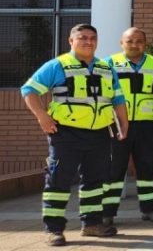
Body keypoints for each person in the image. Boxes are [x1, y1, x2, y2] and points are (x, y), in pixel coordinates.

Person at [22, 24, 130, 246]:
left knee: (95, 180)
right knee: (58, 180)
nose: (88, 41)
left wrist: (124, 125)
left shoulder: (106, 68)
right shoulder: (57, 65)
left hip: (100, 133)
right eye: (82, 38)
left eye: (92, 38)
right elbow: (29, 90)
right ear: (71, 41)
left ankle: (91, 224)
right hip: (66, 134)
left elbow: (118, 100)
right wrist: (42, 117)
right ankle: (54, 229)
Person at [103, 27, 153, 227]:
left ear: (145, 43)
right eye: (130, 41)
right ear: (121, 43)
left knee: (149, 169)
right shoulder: (108, 64)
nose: (134, 45)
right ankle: (107, 214)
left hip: (149, 126)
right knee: (114, 170)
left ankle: (151, 210)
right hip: (116, 125)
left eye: (139, 41)